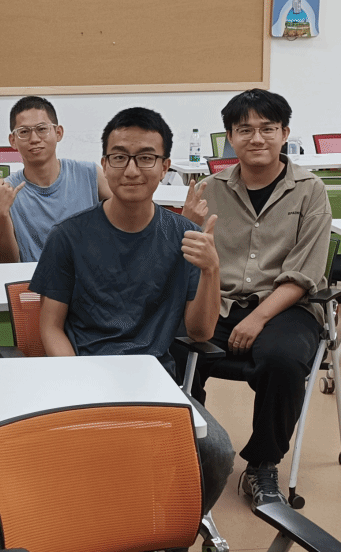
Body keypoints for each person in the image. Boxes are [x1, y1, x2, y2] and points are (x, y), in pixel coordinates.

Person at [28, 106, 233, 515]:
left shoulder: (184, 236)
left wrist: (212, 270)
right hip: (87, 374)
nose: (132, 170)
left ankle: (170, 533)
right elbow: (50, 326)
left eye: (146, 158)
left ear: (165, 167)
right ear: (105, 164)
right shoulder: (68, 236)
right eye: (119, 157)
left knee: (217, 452)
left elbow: (200, 333)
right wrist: (76, 381)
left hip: (154, 381)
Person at [185, 89, 332, 508]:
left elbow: (305, 274)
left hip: (287, 305)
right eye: (244, 129)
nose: (257, 138)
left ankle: (262, 465)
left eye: (268, 129)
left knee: (283, 360)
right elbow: (188, 259)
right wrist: (186, 225)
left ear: (285, 133)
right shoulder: (209, 189)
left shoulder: (310, 190)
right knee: (171, 350)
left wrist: (258, 318)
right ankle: (193, 449)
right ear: (230, 137)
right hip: (219, 300)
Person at [0, 96, 111, 263]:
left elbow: (129, 216)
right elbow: (7, 261)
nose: (34, 139)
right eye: (24, 132)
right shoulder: (8, 191)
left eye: (42, 129)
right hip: (36, 276)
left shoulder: (89, 174)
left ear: (58, 133)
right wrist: (0, 215)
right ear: (13, 141)